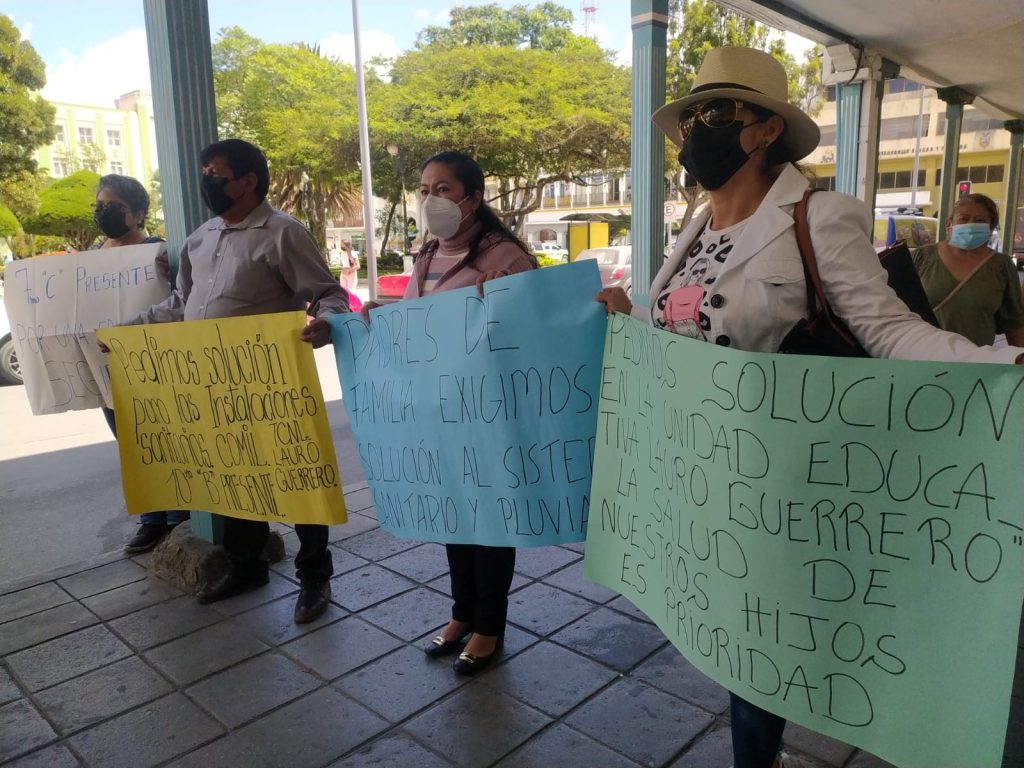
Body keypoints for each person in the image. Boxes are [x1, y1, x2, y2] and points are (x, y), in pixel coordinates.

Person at [595, 46, 1024, 768]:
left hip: (784, 483)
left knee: (761, 645)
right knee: (732, 631)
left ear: (765, 131)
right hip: (704, 480)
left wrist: (1002, 365)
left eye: (717, 113)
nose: (698, 126)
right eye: (692, 114)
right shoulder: (694, 227)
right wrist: (627, 315)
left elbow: (888, 332)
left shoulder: (818, 217)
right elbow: (683, 331)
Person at [125, 139, 349, 623]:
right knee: (234, 478)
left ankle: (315, 577)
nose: (208, 182)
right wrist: (126, 334)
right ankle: (247, 566)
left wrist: (327, 321)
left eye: (217, 174)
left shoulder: (283, 233)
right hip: (215, 386)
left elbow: (329, 293)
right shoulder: (200, 238)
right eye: (205, 172)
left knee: (297, 478)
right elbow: (180, 305)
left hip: (272, 383)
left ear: (248, 181)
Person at [359, 151, 536, 675]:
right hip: (440, 416)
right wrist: (382, 315)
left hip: (487, 417)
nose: (429, 198)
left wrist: (502, 306)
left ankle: (489, 626)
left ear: (473, 198)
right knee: (455, 517)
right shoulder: (428, 253)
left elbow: (527, 335)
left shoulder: (504, 258)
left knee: (489, 523)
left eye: (443, 188)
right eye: (424, 187)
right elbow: (425, 321)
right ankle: (462, 614)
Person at [90, 174, 190, 553]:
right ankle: (152, 519)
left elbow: (181, 300)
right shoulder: (93, 255)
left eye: (113, 207)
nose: (104, 213)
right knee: (132, 447)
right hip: (109, 365)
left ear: (139, 212)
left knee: (169, 440)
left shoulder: (159, 252)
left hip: (156, 364)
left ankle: (180, 517)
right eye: (99, 206)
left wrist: (168, 275)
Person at [912, 193, 1024, 346]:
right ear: (949, 224)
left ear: (991, 228)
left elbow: (1014, 323)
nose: (971, 225)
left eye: (980, 220)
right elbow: (895, 308)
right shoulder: (921, 257)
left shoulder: (1001, 266)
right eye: (964, 219)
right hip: (921, 358)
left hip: (976, 362)